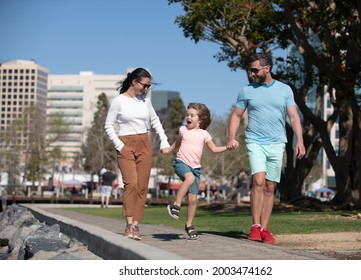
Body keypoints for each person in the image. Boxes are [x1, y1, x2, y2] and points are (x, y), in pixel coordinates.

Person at [227, 53, 305, 244]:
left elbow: (294, 116)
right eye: (251, 70)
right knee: (259, 181)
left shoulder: (285, 90)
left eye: (255, 70)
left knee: (270, 186)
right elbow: (236, 115)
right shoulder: (246, 91)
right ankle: (255, 226)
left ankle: (264, 228)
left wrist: (300, 141)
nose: (252, 73)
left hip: (277, 143)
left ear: (267, 68)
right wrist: (231, 137)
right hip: (255, 141)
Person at [105, 68, 170, 241]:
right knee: (131, 184)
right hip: (125, 143)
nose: (146, 89)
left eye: (149, 86)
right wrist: (120, 145)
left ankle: (135, 225)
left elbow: (155, 120)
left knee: (141, 186)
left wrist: (164, 140)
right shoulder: (118, 101)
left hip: (144, 143)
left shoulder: (145, 100)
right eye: (144, 85)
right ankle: (128, 224)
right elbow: (108, 126)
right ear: (134, 81)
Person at [163, 102, 232, 240]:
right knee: (189, 179)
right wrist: (169, 149)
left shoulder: (204, 134)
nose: (188, 117)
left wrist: (227, 147)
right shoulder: (183, 129)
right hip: (181, 162)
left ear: (200, 120)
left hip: (195, 168)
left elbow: (214, 149)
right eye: (187, 114)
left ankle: (189, 225)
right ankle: (175, 205)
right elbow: (178, 142)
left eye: (192, 115)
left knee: (193, 199)